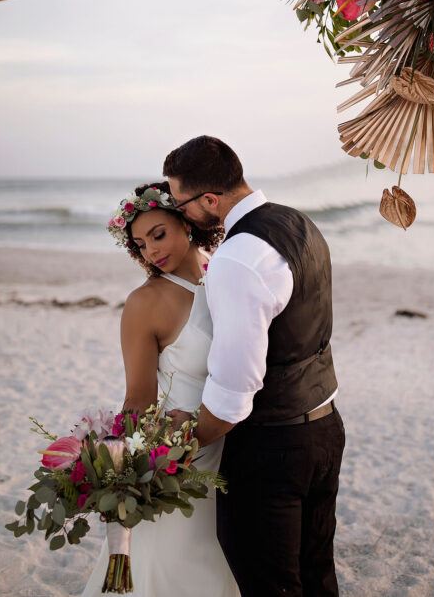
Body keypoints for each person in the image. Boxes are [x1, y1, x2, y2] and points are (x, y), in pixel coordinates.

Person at [163, 136, 345, 597]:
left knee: (269, 582)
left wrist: (186, 442)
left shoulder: (237, 259)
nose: (181, 215)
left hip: (272, 448)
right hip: (325, 427)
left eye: (182, 205)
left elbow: (233, 391)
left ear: (210, 200)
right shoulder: (297, 221)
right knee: (316, 572)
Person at [82, 181, 239, 597]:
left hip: (239, 446)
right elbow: (137, 398)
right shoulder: (144, 302)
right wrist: (122, 470)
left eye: (158, 234)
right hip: (182, 455)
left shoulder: (223, 270)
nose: (152, 251)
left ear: (186, 223)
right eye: (140, 243)